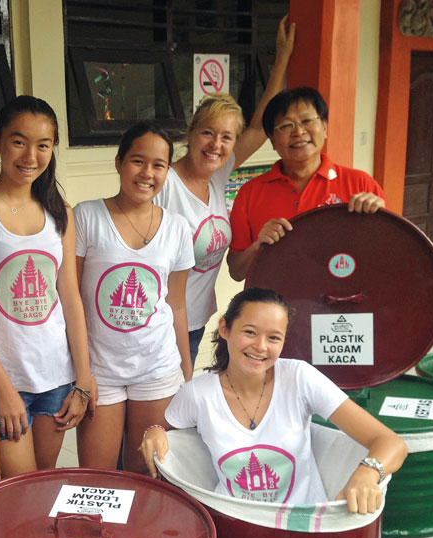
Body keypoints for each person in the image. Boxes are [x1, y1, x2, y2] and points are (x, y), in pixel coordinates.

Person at [139, 288, 407, 514]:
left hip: (307, 523)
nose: (261, 346)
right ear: (225, 328)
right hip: (235, 525)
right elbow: (162, 430)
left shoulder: (299, 378)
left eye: (274, 337)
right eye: (250, 332)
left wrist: (368, 473)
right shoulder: (198, 394)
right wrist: (154, 432)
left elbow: (391, 443)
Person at [0, 95, 94, 478]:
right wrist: (1, 387)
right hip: (1, 377)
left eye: (43, 145)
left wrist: (83, 377)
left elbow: (70, 297)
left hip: (55, 377)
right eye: (19, 141)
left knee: (42, 483)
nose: (31, 155)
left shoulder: (59, 211)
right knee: (17, 489)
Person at [155, 15, 294, 363]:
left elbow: (263, 125)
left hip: (198, 318)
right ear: (191, 132)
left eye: (227, 137)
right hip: (161, 322)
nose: (216, 144)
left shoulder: (218, 177)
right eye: (208, 132)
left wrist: (281, 59)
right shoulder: (164, 183)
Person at [75, 122, 195, 474]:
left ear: (167, 172)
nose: (147, 173)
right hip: (101, 370)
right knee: (98, 478)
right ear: (119, 163)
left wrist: (185, 371)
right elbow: (73, 299)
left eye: (158, 165)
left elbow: (177, 304)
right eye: (137, 161)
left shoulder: (177, 228)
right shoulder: (87, 216)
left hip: (157, 367)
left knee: (148, 474)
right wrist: (80, 372)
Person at [227, 87, 387, 282]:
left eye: (307, 121)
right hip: (274, 307)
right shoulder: (250, 193)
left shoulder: (361, 184)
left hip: (342, 304)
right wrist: (259, 245)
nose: (299, 132)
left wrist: (380, 222)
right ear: (272, 140)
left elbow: (389, 257)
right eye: (286, 126)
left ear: (325, 127)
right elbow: (236, 272)